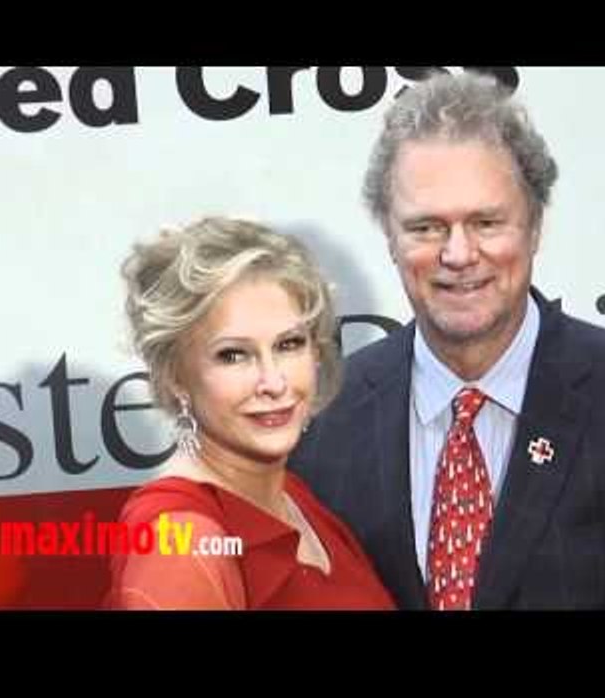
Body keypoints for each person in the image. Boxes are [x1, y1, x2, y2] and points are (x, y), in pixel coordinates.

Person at [290, 71, 605, 609]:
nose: (458, 254)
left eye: (487, 222)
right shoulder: (323, 419)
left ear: (535, 225)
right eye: (426, 227)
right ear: (390, 238)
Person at [105, 216, 395, 610]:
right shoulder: (182, 545)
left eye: (289, 344)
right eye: (233, 355)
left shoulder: (293, 495)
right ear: (175, 376)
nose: (273, 382)